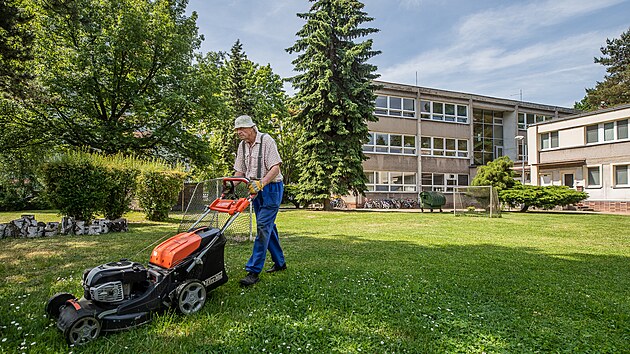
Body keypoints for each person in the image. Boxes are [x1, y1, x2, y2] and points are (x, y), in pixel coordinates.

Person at [233, 115, 287, 286]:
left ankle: (253, 270)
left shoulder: (267, 140)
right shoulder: (242, 146)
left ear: (252, 128)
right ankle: (280, 263)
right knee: (268, 226)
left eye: (242, 129)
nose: (239, 132)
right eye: (237, 129)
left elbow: (275, 167)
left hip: (271, 188)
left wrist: (261, 183)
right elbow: (239, 172)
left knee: (263, 225)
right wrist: (229, 186)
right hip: (254, 190)